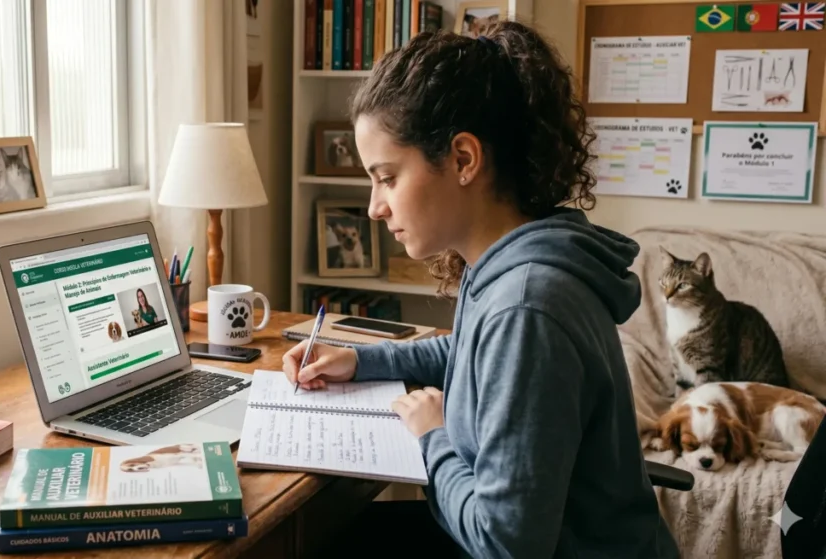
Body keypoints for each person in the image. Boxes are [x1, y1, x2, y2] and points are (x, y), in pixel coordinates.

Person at [283, 22, 679, 559]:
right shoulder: (509, 261)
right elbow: (471, 354)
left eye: (388, 177)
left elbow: (506, 543)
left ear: (463, 160)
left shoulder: (527, 306)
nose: (375, 207)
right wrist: (360, 361)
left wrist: (434, 435)